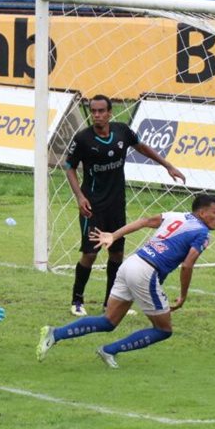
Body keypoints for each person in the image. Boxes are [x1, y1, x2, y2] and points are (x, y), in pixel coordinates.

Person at [37, 194, 215, 368]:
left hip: (131, 263)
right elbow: (188, 265)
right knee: (164, 330)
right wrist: (183, 296)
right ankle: (109, 350)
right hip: (146, 272)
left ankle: (56, 333)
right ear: (202, 213)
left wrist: (113, 235)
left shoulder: (176, 216)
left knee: (109, 321)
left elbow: (144, 221)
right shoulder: (202, 233)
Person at [63, 94, 185, 317]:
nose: (97, 115)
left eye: (101, 111)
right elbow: (69, 166)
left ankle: (109, 303)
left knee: (117, 255)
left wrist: (168, 165)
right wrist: (80, 197)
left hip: (116, 205)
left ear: (110, 112)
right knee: (90, 255)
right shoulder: (83, 139)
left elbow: (142, 147)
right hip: (93, 206)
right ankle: (77, 300)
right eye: (93, 111)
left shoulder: (122, 131)